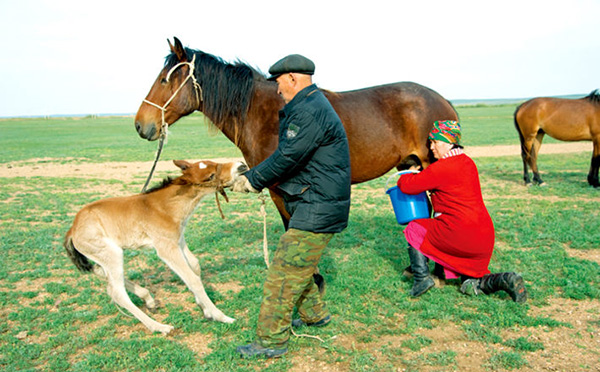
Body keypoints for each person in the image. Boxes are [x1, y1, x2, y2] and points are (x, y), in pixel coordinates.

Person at [232, 54, 352, 358]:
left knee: (283, 274)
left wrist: (252, 180)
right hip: (315, 202)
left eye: (280, 83)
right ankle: (315, 315)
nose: (277, 89)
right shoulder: (310, 105)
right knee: (298, 264)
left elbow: (287, 157)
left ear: (294, 79)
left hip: (317, 206)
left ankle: (270, 341)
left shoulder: (309, 110)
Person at [398, 120, 527, 302]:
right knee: (470, 284)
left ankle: (422, 279)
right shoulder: (468, 163)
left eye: (435, 142)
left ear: (449, 142)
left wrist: (408, 173)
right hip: (483, 236)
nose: (431, 147)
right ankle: (505, 280)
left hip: (459, 233)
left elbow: (408, 187)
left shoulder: (441, 167)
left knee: (415, 227)